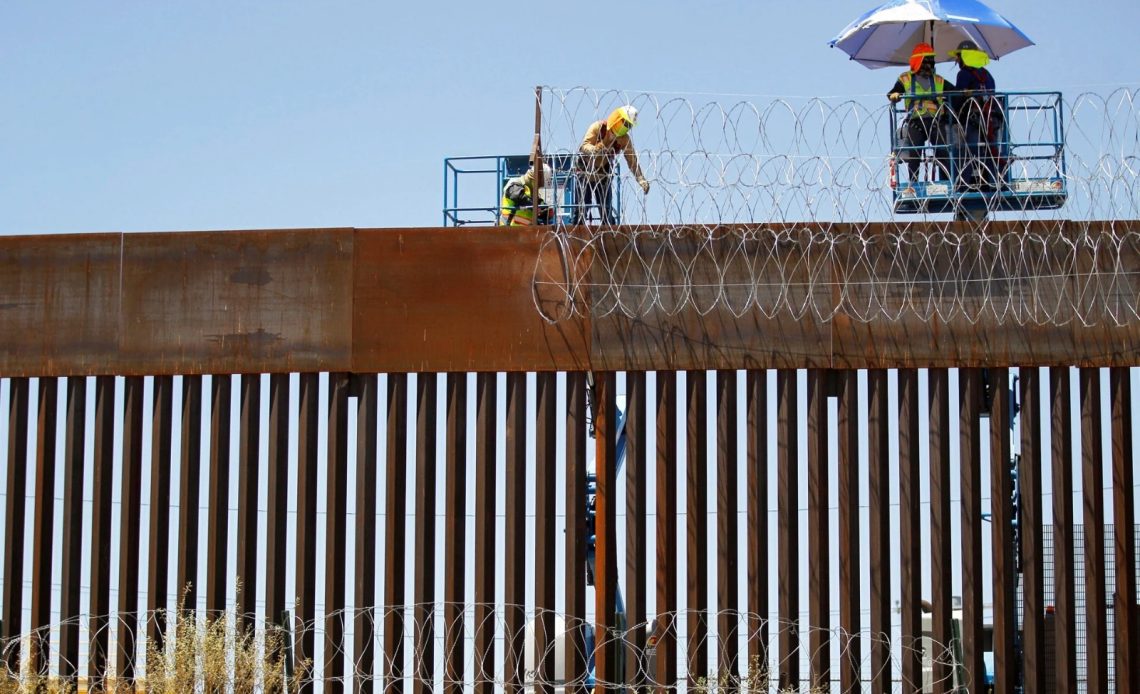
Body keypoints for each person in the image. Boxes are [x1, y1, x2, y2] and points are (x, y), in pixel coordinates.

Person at [571, 105, 650, 226]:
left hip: (603, 174)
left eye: (628, 126)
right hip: (585, 172)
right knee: (581, 211)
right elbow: (584, 146)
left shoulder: (623, 139)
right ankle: (575, 237)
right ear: (616, 119)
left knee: (606, 212)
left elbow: (632, 160)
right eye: (623, 123)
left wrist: (641, 179)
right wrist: (595, 150)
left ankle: (609, 238)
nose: (624, 128)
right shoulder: (598, 127)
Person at [888, 43, 950, 185]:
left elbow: (955, 92)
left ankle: (948, 183)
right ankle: (913, 184)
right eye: (926, 60)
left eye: (931, 60)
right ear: (918, 61)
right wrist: (895, 95)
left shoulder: (938, 80)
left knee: (942, 152)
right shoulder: (905, 79)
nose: (929, 64)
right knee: (914, 154)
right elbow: (892, 93)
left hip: (935, 121)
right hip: (915, 122)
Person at [948, 39, 1001, 191]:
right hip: (991, 118)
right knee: (990, 150)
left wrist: (951, 112)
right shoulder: (986, 74)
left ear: (965, 56)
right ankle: (993, 181)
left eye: (958, 56)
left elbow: (958, 97)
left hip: (974, 119)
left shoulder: (963, 74)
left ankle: (963, 184)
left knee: (970, 152)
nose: (957, 60)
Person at [499, 162, 553, 226]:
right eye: (539, 184)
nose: (539, 187)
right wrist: (534, 206)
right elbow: (517, 196)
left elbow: (539, 205)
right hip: (509, 230)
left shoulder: (532, 193)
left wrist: (545, 211)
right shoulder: (515, 183)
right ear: (534, 179)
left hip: (525, 232)